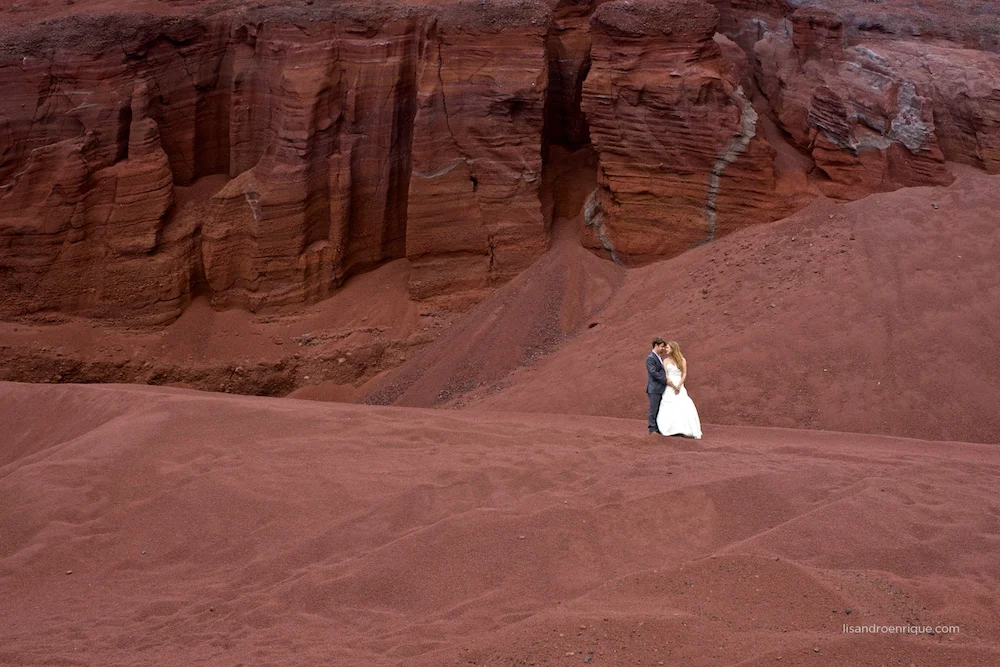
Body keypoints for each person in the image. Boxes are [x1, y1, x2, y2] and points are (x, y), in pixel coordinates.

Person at [655, 341, 702, 439]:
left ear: (673, 349)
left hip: (679, 385)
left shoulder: (682, 360)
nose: (666, 349)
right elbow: (666, 375)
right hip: (670, 385)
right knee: (669, 405)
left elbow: (684, 374)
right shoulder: (665, 361)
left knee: (682, 405)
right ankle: (670, 429)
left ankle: (683, 428)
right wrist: (673, 386)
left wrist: (679, 385)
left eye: (667, 348)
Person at [646, 337, 668, 434]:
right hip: (655, 388)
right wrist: (665, 380)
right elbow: (653, 373)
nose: (663, 349)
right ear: (656, 345)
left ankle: (658, 428)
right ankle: (652, 429)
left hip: (660, 388)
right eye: (662, 346)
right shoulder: (650, 358)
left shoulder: (658, 357)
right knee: (654, 409)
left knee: (659, 409)